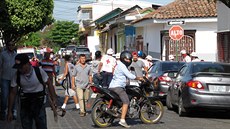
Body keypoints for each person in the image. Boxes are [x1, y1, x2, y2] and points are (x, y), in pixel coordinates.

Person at [7, 54, 57, 129]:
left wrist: (54, 99)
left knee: (41, 125)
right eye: (18, 68)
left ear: (27, 64)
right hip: (25, 102)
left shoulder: (38, 71)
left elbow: (49, 83)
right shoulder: (17, 75)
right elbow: (13, 93)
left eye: (21, 67)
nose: (19, 69)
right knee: (26, 125)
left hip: (39, 102)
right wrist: (10, 111)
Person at [109, 51, 144, 128]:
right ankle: (122, 120)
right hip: (118, 87)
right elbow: (129, 75)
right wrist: (139, 78)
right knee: (126, 101)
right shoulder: (122, 66)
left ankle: (120, 111)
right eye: (127, 59)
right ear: (123, 58)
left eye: (129, 59)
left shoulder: (119, 65)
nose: (129, 61)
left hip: (113, 86)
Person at [0, 42, 17, 120]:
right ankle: (2, 113)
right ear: (7, 46)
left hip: (14, 79)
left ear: (14, 46)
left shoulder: (16, 55)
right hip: (4, 78)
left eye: (12, 45)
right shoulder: (3, 54)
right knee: (4, 97)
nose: (11, 46)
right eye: (9, 45)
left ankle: (12, 112)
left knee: (13, 97)